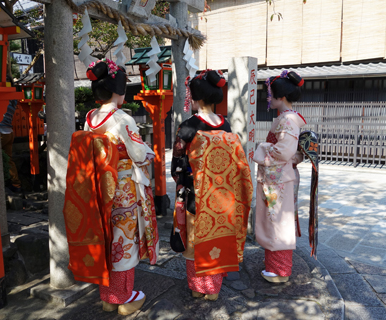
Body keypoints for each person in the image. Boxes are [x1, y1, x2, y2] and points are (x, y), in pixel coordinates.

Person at [62, 59, 158, 316]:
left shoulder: (90, 118)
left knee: (106, 236)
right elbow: (139, 154)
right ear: (118, 91)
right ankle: (123, 298)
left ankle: (107, 297)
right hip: (123, 185)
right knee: (123, 241)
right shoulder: (123, 118)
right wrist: (150, 154)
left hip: (98, 186)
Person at [171, 70, 253, 301]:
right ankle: (213, 289)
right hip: (223, 196)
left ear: (194, 98)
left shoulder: (188, 126)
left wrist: (182, 181)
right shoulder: (226, 126)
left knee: (194, 240)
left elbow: (177, 164)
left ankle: (197, 287)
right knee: (218, 237)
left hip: (195, 194)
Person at [254, 70, 306, 283]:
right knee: (274, 219)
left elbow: (283, 152)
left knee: (278, 220)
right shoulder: (286, 119)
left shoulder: (287, 120)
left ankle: (280, 270)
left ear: (281, 97)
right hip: (278, 177)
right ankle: (276, 267)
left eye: (271, 94)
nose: (268, 98)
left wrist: (261, 147)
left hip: (279, 179)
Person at [0, 100, 22, 193]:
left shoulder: (2, 100)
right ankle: (16, 184)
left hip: (0, 132)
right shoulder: (13, 102)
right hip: (9, 132)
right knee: (9, 159)